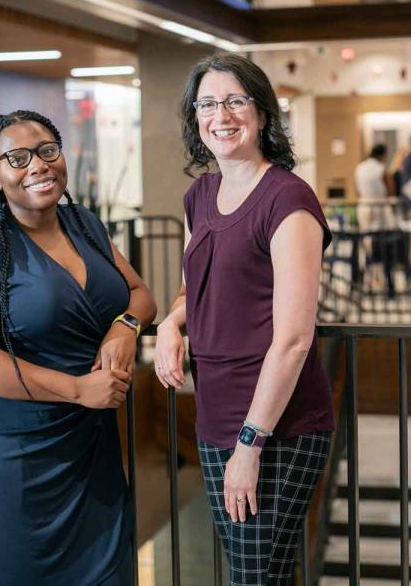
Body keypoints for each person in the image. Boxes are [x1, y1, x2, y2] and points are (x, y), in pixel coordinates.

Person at [0, 110, 157, 585]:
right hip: (7, 447)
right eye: (17, 158)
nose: (37, 165)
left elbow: (140, 295)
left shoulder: (85, 224)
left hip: (85, 441)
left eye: (46, 151)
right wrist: (79, 390)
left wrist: (124, 326)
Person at [153, 53, 334, 585]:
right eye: (207, 103)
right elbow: (200, 285)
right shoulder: (199, 195)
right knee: (259, 574)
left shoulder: (287, 199)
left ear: (262, 114)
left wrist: (250, 444)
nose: (221, 114)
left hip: (279, 423)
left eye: (235, 100)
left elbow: (296, 338)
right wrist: (170, 322)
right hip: (215, 413)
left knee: (252, 578)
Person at [355, 143, 394, 231]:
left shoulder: (359, 167)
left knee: (365, 234)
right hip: (379, 204)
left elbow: (356, 189)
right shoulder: (382, 168)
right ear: (382, 155)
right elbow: (391, 189)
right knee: (380, 235)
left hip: (363, 203)